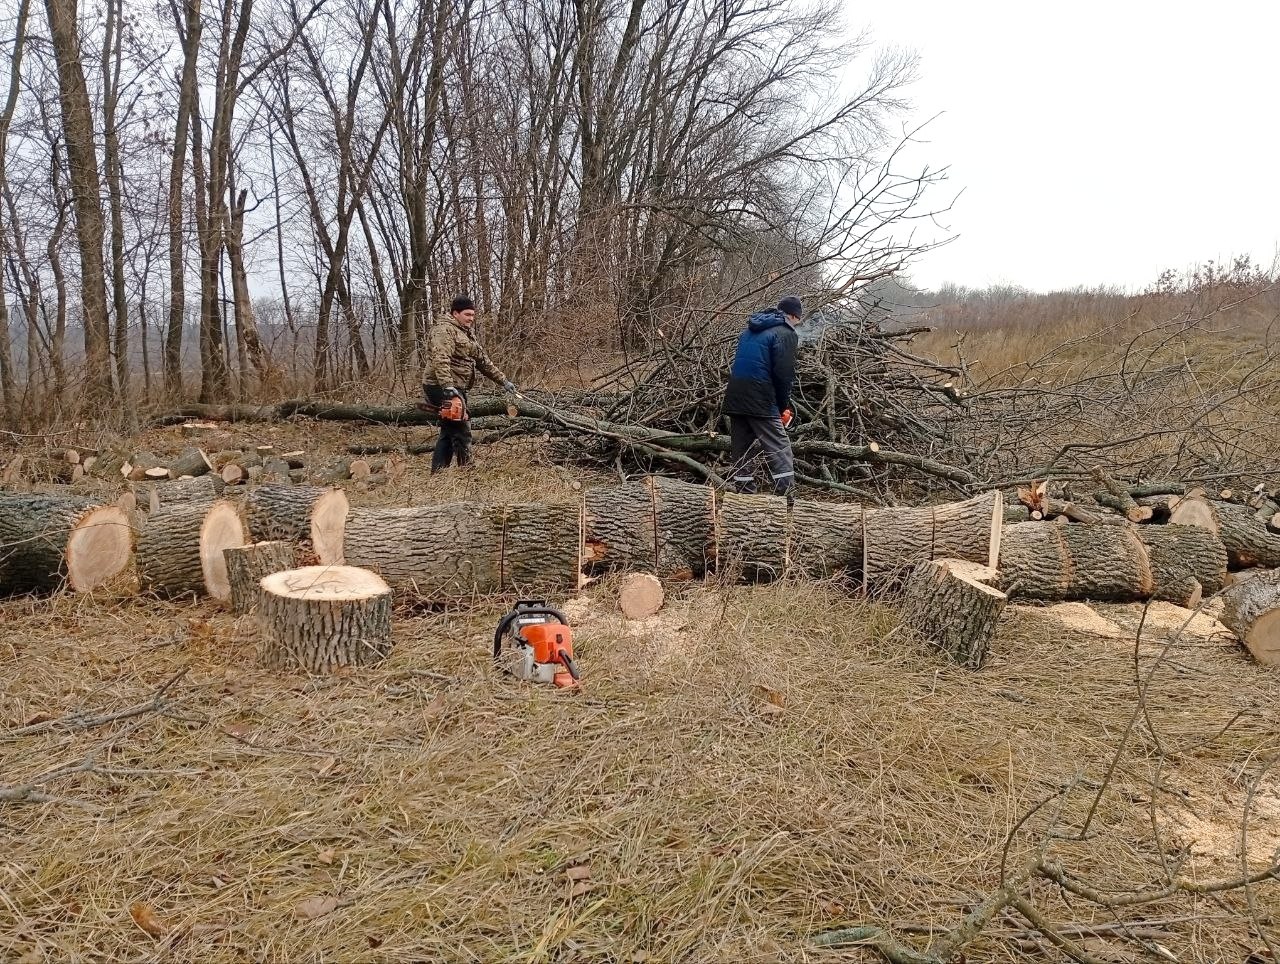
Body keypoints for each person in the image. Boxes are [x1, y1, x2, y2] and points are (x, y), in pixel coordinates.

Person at [423, 296, 517, 472]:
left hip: (456, 387)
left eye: (473, 315)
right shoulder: (444, 330)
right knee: (461, 427)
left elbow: (483, 361)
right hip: (440, 386)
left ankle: (438, 472)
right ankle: (467, 470)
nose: (471, 318)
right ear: (455, 313)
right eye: (467, 314)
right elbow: (440, 359)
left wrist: (503, 380)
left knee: (449, 430)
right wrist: (447, 386)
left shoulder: (465, 332)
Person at [722, 295, 803, 495]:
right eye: (798, 319)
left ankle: (744, 497)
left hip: (736, 395)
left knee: (742, 449)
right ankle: (787, 499)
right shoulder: (786, 333)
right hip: (760, 397)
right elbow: (784, 375)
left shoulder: (749, 330)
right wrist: (782, 407)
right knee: (779, 448)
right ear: (794, 316)